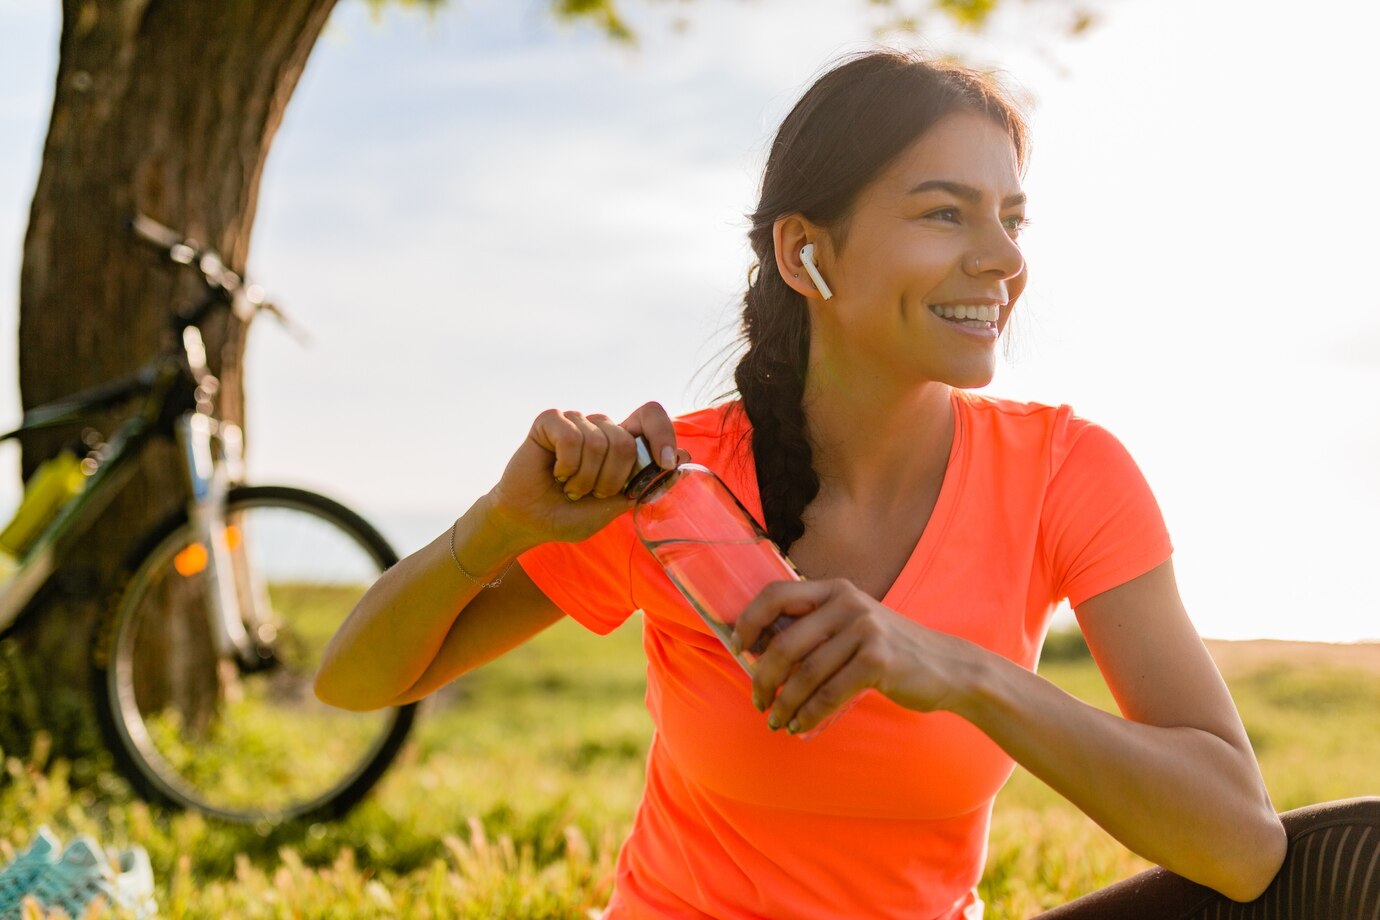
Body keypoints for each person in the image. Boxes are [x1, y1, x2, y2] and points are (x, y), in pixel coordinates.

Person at [314, 49, 1379, 920]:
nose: (1001, 258)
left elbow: (1243, 848)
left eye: (1012, 217)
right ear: (806, 252)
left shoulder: (1066, 471)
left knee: (1357, 864)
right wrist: (499, 522)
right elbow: (356, 679)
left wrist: (961, 671)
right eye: (945, 213)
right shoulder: (675, 485)